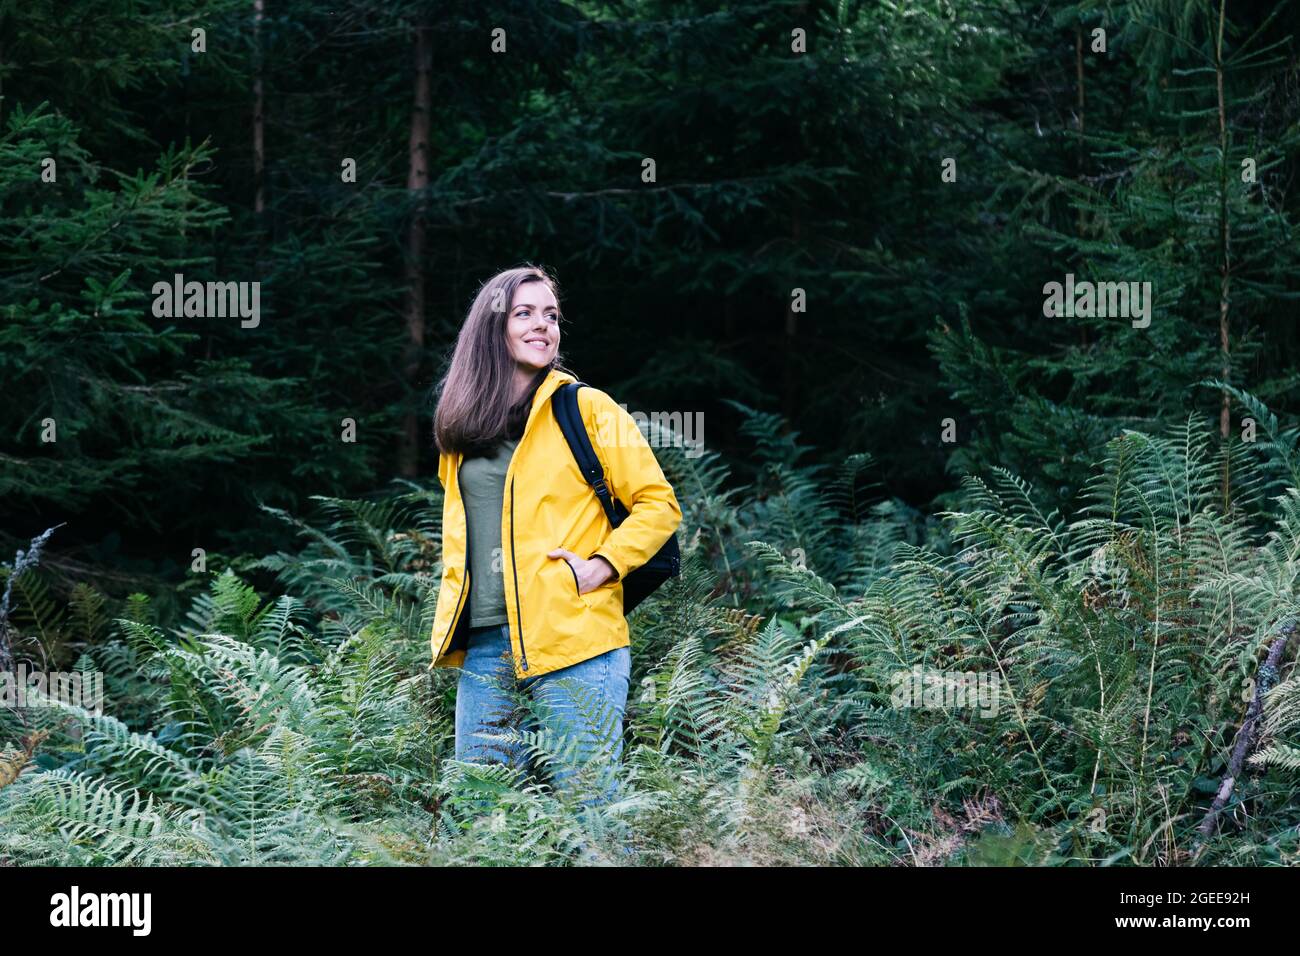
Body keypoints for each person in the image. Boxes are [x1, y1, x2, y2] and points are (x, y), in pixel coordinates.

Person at [429, 264, 682, 808]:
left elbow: (658, 504)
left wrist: (604, 564)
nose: (543, 325)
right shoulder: (461, 428)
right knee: (483, 815)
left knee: (590, 810)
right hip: (486, 645)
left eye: (551, 315)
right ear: (491, 329)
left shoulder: (586, 408)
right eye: (524, 313)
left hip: (575, 640)